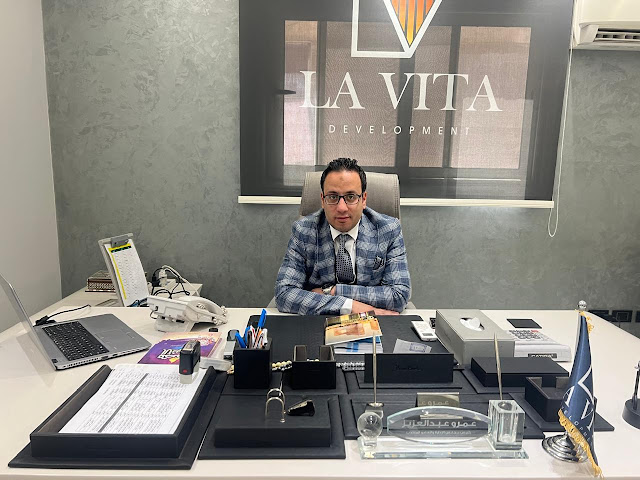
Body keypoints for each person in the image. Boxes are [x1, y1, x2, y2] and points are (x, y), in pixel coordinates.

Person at [274, 158, 411, 316]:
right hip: (319, 321)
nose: (341, 208)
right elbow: (284, 293)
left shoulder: (388, 230)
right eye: (332, 197)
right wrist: (350, 306)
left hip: (374, 323)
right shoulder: (303, 231)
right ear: (322, 200)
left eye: (351, 197)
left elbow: (399, 295)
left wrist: (333, 291)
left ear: (363, 199)